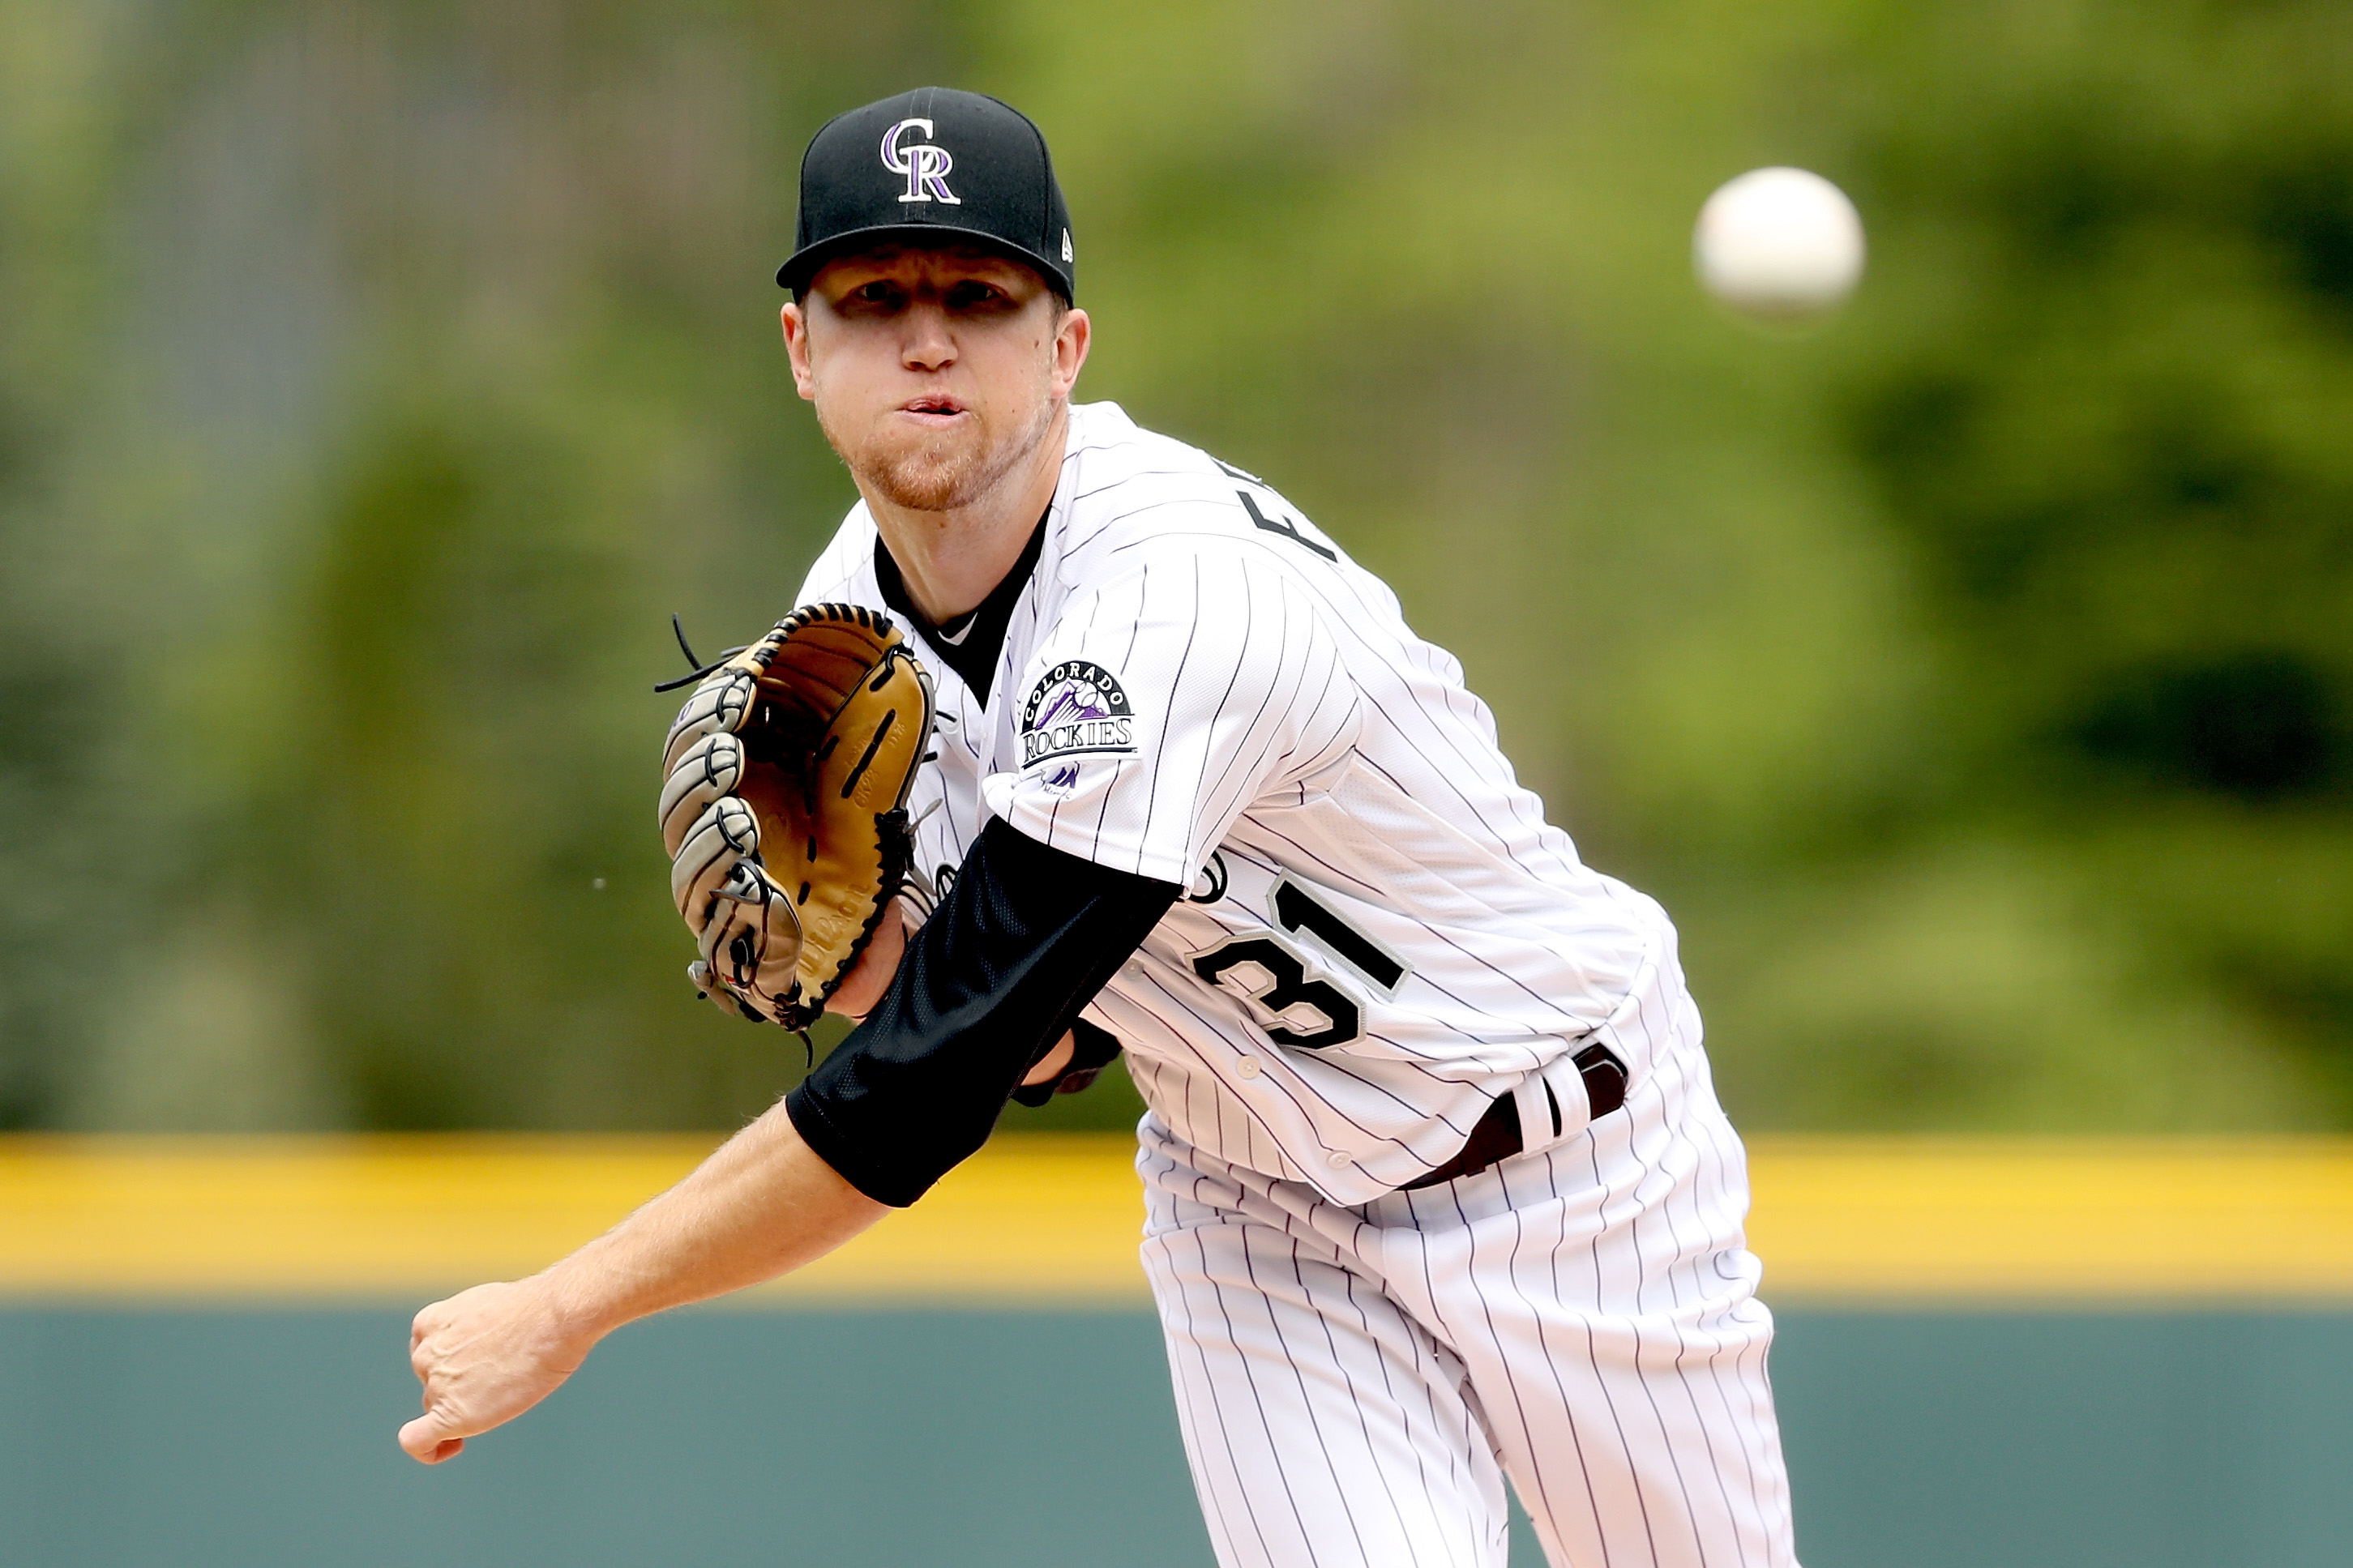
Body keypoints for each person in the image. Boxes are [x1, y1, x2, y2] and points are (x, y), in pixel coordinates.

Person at [400, 87, 1801, 1568]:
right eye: (874, 297)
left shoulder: (1168, 592)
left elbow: (922, 1089)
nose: (927, 338)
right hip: (1258, 1209)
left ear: (1064, 349)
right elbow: (1049, 1043)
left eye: (979, 295)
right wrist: (871, 949)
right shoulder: (848, 657)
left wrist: (565, 1308)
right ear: (801, 352)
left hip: (1569, 1164)